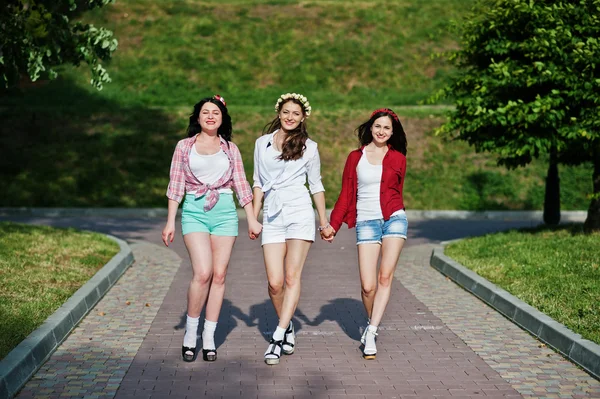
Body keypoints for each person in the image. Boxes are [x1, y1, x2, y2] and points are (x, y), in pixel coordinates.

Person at [161, 95, 262, 363]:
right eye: (205, 112)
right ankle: (190, 332)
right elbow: (175, 186)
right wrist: (171, 221)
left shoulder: (231, 149)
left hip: (225, 214)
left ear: (222, 118)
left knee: (219, 275)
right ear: (197, 117)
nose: (210, 116)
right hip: (194, 213)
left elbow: (242, 186)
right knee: (203, 273)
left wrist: (251, 219)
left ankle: (209, 336)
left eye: (215, 112)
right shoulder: (184, 147)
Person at [252, 93, 331, 365]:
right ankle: (287, 325)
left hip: (299, 212)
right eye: (286, 112)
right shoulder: (261, 144)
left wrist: (324, 220)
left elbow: (316, 185)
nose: (290, 117)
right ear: (279, 112)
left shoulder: (310, 147)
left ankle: (276, 337)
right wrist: (253, 216)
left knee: (291, 276)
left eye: (295, 113)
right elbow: (258, 182)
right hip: (273, 214)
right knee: (274, 283)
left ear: (303, 117)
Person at [323, 108, 408, 360]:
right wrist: (333, 225)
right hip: (366, 222)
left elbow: (397, 192)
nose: (382, 131)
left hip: (394, 219)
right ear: (370, 128)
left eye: (387, 128)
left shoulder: (398, 158)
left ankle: (371, 331)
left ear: (393, 133)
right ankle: (372, 320)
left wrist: (395, 213)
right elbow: (345, 195)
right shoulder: (354, 158)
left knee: (385, 277)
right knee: (368, 286)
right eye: (378, 126)